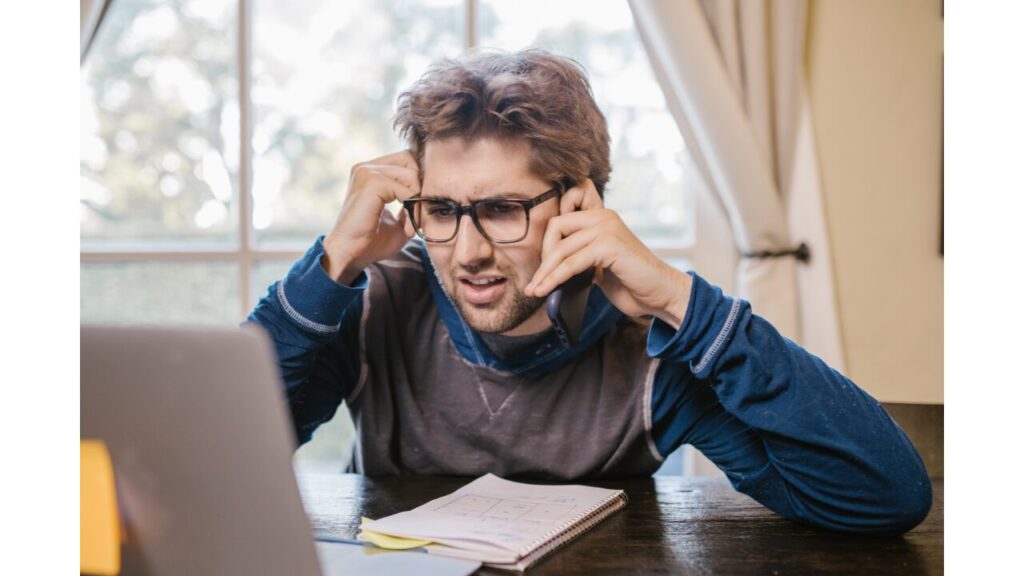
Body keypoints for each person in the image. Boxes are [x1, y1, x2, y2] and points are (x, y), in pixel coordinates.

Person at [247, 48, 931, 535]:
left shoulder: (652, 348)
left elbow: (881, 499)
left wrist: (681, 302)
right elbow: (223, 465)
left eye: (503, 208)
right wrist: (330, 266)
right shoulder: (372, 305)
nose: (469, 251)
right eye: (444, 210)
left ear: (581, 204)